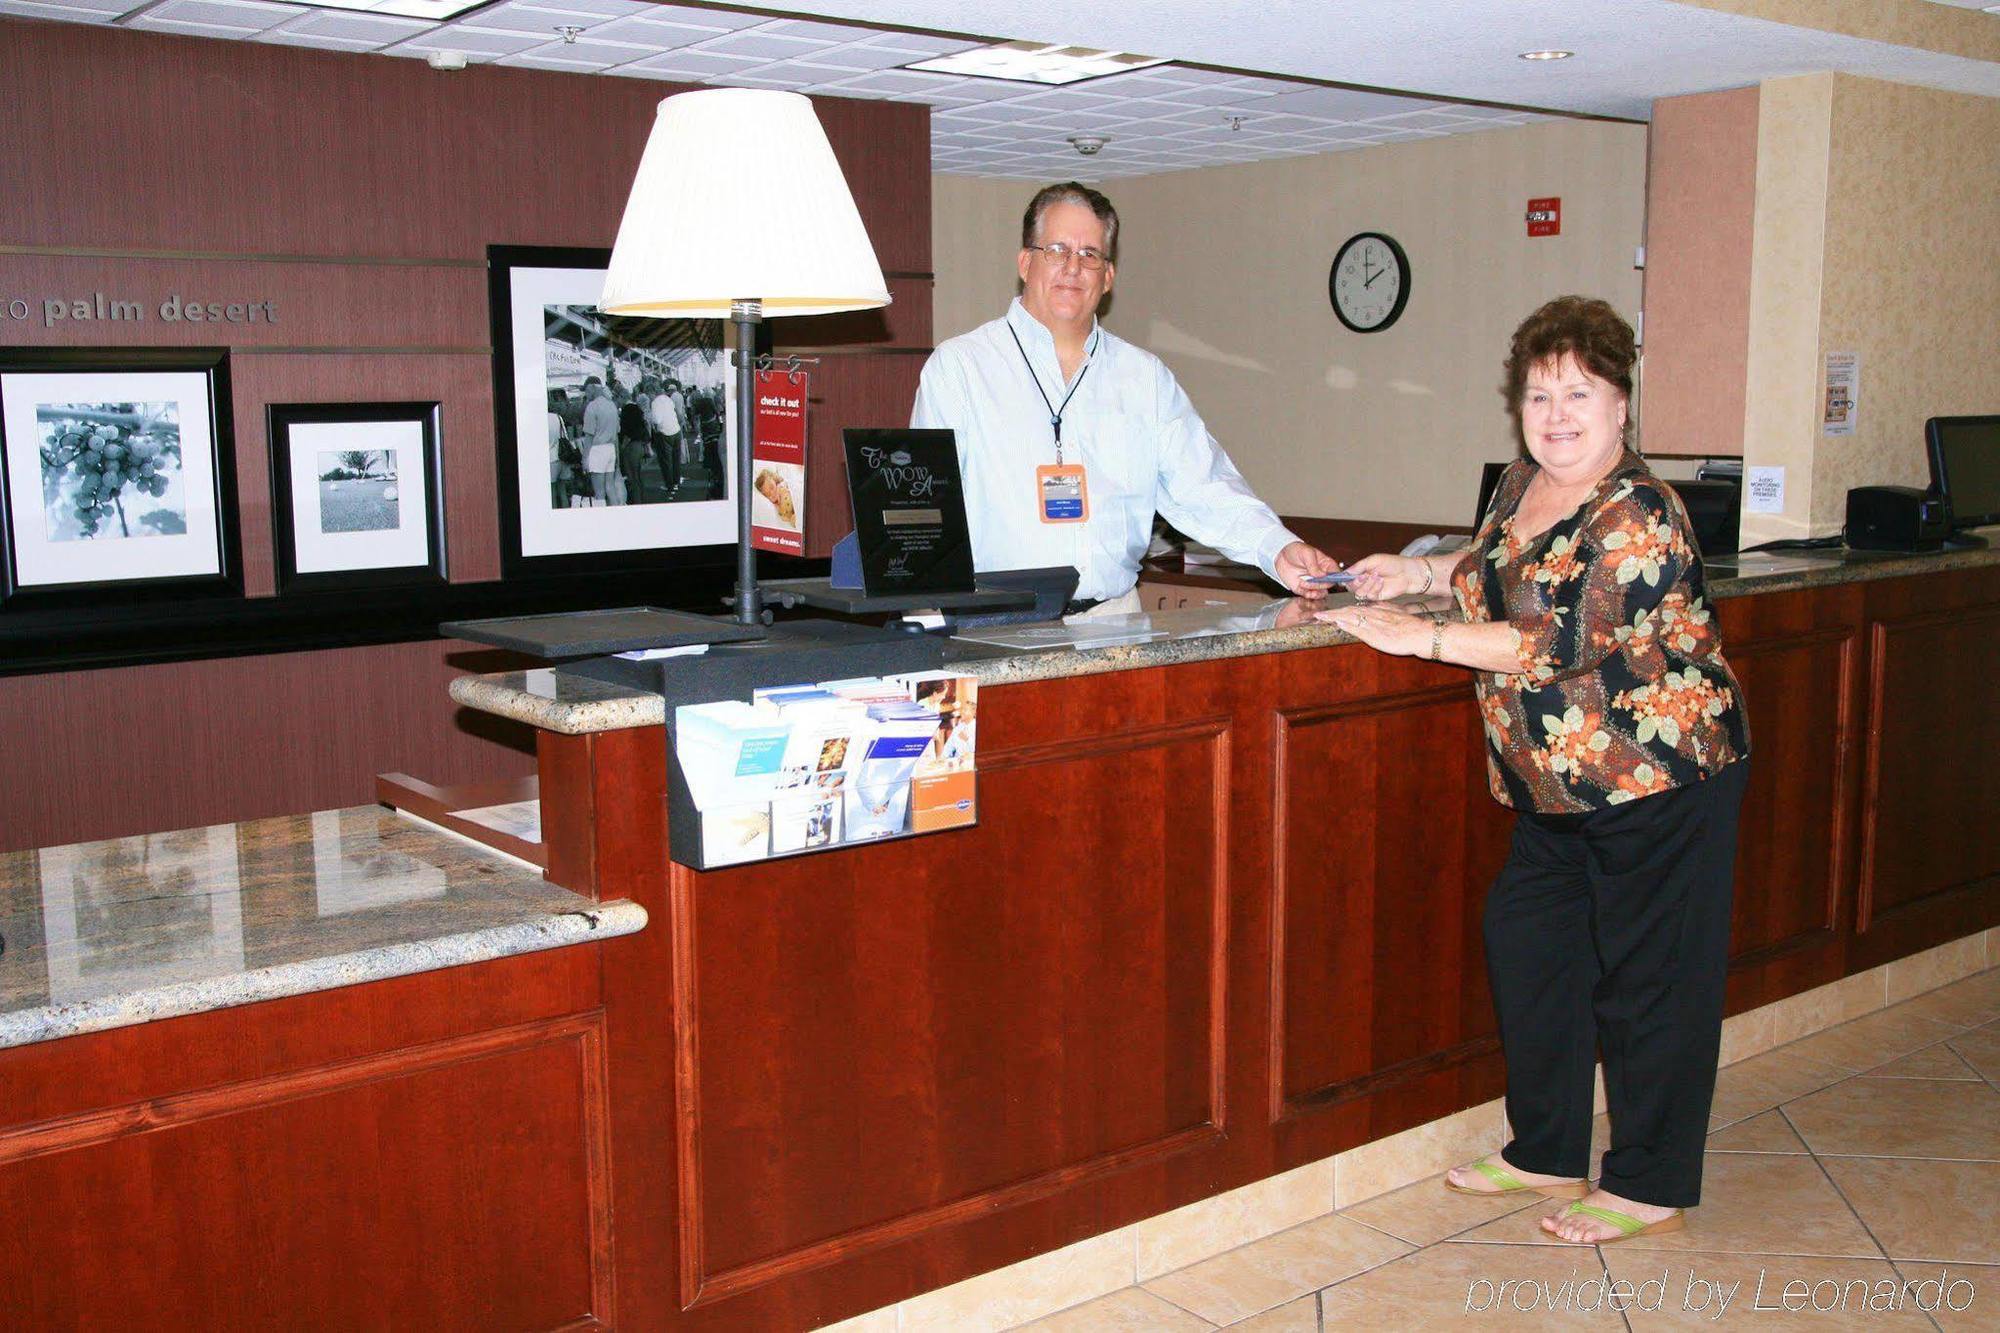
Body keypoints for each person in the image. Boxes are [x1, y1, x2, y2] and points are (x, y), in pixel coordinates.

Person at [1322, 295, 1751, 1246]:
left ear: (1621, 406)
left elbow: (1556, 637)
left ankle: (1648, 1178)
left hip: (1658, 777)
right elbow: (1493, 564)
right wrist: (1416, 572)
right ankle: (1545, 1147)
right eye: (1540, 394)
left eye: (1580, 394)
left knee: (1651, 978)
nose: (1557, 414)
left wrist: (1420, 639)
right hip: (1553, 785)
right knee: (1529, 942)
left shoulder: (1640, 511)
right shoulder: (1523, 481)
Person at [911, 181, 1336, 616]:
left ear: (1108, 276)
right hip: (997, 624)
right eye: (1056, 250)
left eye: (1089, 255)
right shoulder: (961, 369)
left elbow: (1203, 486)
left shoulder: (1144, 379)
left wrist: (1277, 547)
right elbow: (926, 513)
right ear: (1025, 263)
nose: (1073, 268)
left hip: (1113, 624)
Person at [580, 377, 620, 506]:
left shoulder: (592, 406)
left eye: (586, 390)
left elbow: (589, 436)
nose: (586, 394)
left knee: (599, 493)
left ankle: (602, 522)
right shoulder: (611, 404)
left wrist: (585, 459)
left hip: (597, 450)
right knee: (610, 487)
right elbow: (616, 433)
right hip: (610, 449)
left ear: (592, 387)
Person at [649, 376, 684, 499]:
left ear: (652, 392)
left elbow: (657, 420)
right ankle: (676, 481)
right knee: (676, 458)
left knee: (666, 461)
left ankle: (669, 485)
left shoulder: (655, 402)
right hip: (676, 431)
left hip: (665, 434)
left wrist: (652, 422)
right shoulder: (668, 399)